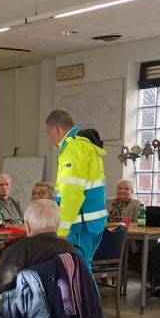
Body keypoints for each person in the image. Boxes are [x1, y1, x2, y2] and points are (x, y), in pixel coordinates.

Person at [44, 108, 107, 268]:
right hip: (90, 223)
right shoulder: (85, 145)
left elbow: (72, 194)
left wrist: (61, 231)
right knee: (83, 270)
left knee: (76, 271)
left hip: (80, 224)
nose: (50, 137)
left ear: (56, 129)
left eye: (49, 132)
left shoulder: (73, 148)